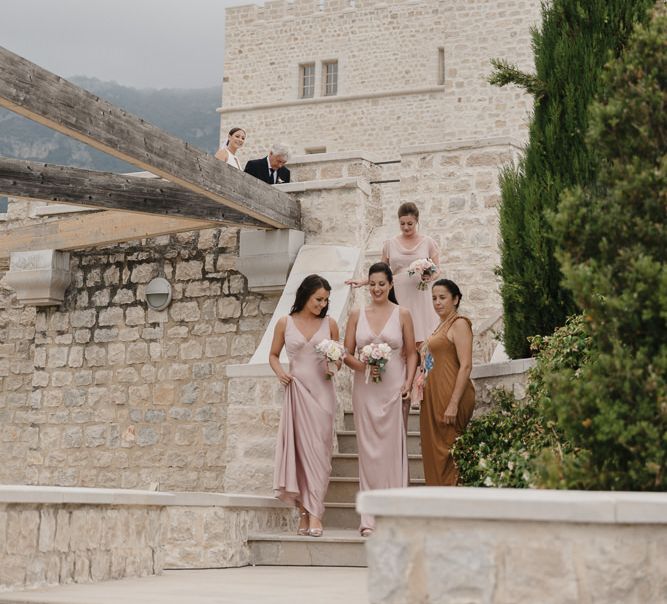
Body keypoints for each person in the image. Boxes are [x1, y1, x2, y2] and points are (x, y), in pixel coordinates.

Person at [343, 262, 418, 536]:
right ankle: (369, 519)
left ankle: (395, 515)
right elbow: (346, 353)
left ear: (390, 285)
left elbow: (411, 353)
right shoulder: (355, 314)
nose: (376, 288)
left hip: (394, 389)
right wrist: (363, 365)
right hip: (365, 390)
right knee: (369, 454)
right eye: (372, 284)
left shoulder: (403, 314)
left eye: (381, 284)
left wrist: (409, 383)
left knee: (392, 453)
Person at [270, 274, 340, 538]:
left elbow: (338, 357)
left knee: (319, 455)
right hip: (297, 392)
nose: (322, 305)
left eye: (325, 300)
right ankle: (303, 512)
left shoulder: (330, 323)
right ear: (305, 295)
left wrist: (335, 366)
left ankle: (316, 513)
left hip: (322, 394)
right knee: (298, 455)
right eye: (317, 299)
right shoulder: (284, 323)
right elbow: (273, 355)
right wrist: (280, 373)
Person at [347, 202, 440, 347]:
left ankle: (423, 368)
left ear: (417, 221)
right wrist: (364, 281)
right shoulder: (390, 244)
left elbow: (437, 270)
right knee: (404, 336)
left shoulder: (428, 242)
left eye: (410, 223)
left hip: (421, 294)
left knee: (424, 339)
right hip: (400, 294)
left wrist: (430, 276)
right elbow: (382, 271)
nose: (406, 227)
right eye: (402, 223)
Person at [419, 279, 475, 486]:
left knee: (448, 452)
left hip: (450, 396)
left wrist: (453, 403)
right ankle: (437, 503)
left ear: (456, 299)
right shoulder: (440, 325)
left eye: (442, 297)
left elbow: (466, 365)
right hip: (433, 396)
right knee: (434, 452)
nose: (437, 302)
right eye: (434, 298)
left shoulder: (459, 323)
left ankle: (450, 504)